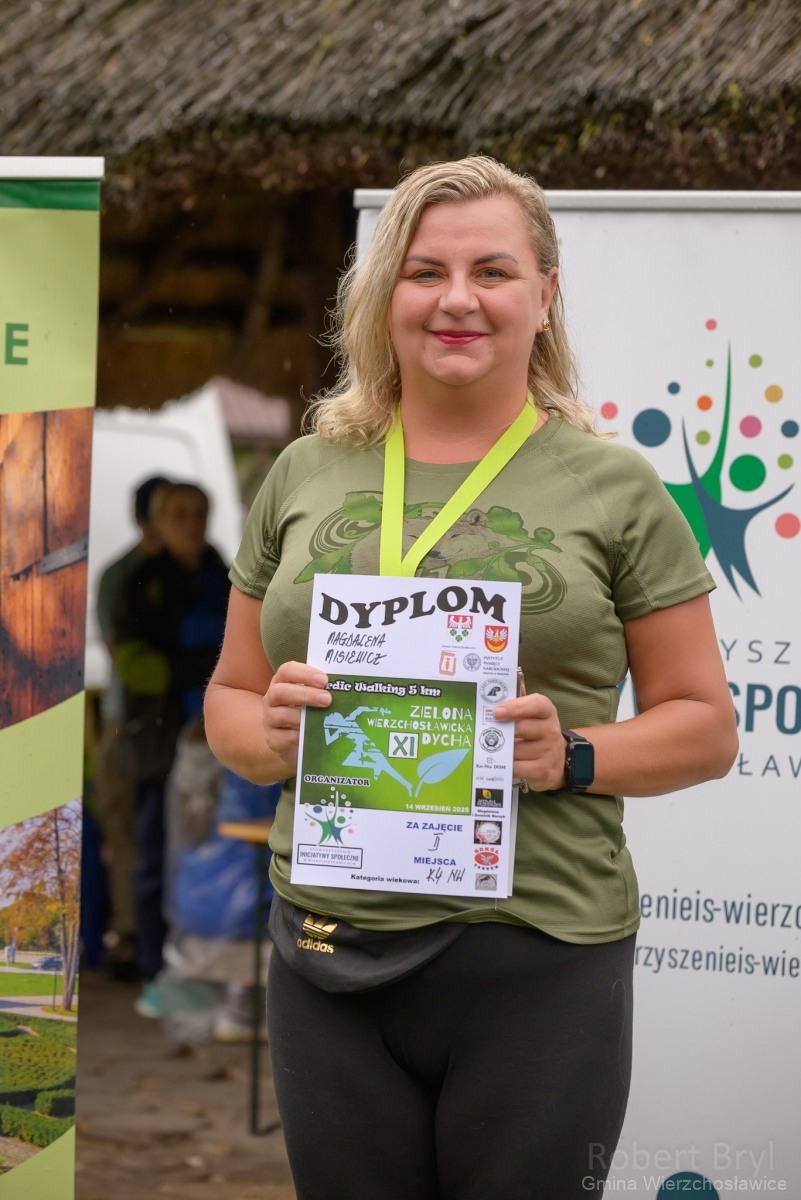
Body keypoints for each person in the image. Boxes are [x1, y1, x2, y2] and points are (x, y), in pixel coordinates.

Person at [204, 156, 738, 1199]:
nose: (457, 299)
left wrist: (569, 754)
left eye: (492, 271)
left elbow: (705, 726)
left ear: (544, 294)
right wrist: (266, 735)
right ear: (384, 296)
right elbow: (228, 698)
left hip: (536, 951)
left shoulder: (615, 486)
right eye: (424, 272)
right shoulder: (305, 470)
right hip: (327, 941)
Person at [113, 481, 230, 1017]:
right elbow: (135, 666)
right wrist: (206, 669)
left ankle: (212, 972)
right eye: (179, 513)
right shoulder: (141, 582)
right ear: (157, 522)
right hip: (161, 745)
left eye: (199, 512)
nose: (191, 522)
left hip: (221, 744)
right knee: (156, 858)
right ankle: (156, 973)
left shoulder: (223, 573)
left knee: (214, 857)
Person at [93, 474, 170, 977]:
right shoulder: (122, 577)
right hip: (129, 723)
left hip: (166, 722)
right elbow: (123, 658)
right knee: (127, 835)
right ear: (145, 519)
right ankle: (130, 937)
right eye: (170, 514)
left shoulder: (202, 569)